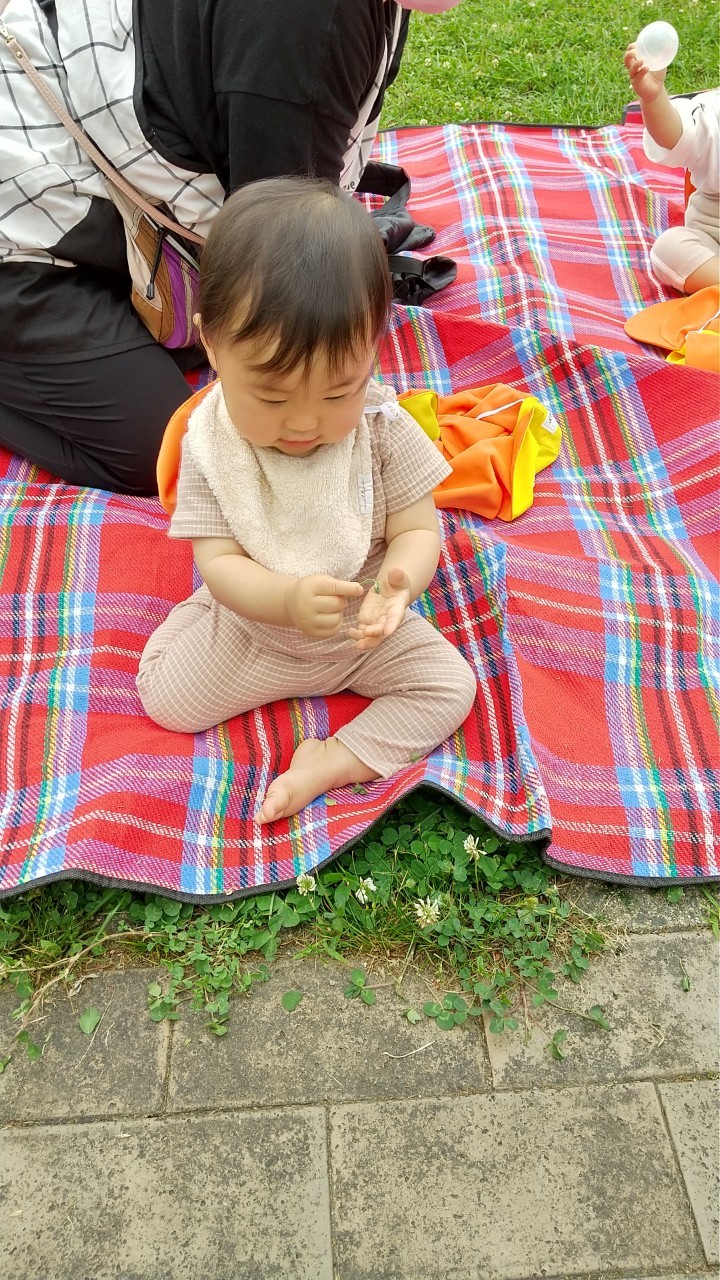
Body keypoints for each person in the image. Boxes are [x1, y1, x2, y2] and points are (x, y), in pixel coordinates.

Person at [0, 0, 459, 495]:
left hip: (114, 198)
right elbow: (283, 265)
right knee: (166, 447)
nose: (304, 426)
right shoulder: (308, 21)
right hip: (27, 219)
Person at [136, 177, 477, 823]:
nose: (303, 422)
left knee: (451, 687)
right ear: (213, 345)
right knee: (164, 699)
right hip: (256, 631)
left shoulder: (382, 429)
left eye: (337, 392)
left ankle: (333, 761)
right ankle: (201, 618)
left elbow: (416, 529)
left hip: (363, 635)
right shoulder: (212, 444)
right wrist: (285, 600)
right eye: (271, 396)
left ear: (372, 352)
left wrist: (398, 588)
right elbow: (220, 561)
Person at [624, 46, 719, 295]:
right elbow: (673, 135)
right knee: (670, 248)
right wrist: (654, 98)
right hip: (714, 240)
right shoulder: (713, 114)